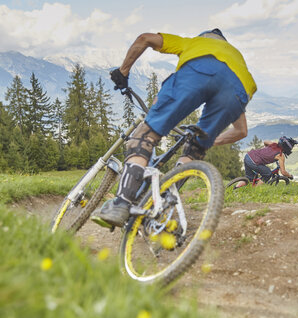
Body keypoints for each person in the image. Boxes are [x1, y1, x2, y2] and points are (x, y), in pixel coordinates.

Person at [92, 28, 257, 227]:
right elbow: (241, 131)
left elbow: (144, 39)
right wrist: (206, 141)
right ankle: (161, 202)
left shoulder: (195, 43)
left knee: (145, 136)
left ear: (203, 38)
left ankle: (121, 203)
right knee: (194, 150)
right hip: (240, 88)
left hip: (199, 72)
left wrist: (123, 71)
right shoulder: (235, 58)